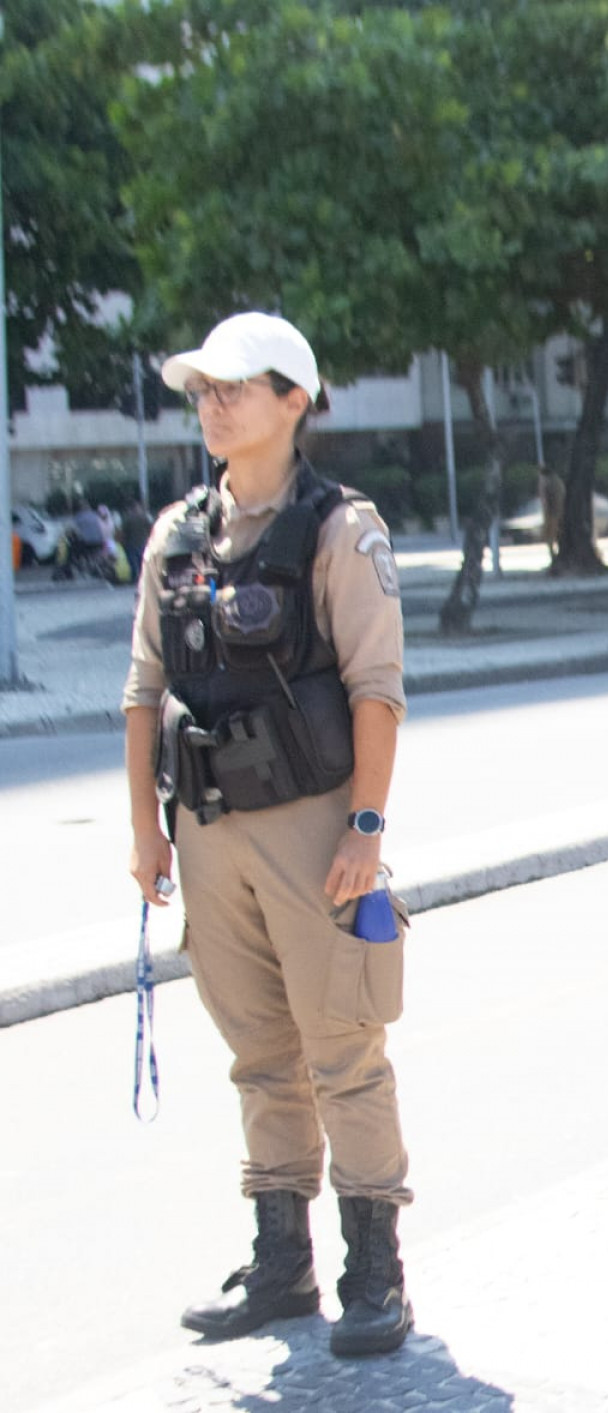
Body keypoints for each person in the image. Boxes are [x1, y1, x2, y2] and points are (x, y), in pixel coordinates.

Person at [123, 312, 413, 1355]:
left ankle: (375, 1270)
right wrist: (146, 838)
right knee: (259, 1054)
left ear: (296, 398)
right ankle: (281, 1262)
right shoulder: (175, 536)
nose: (213, 403)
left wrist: (366, 830)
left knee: (344, 1047)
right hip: (206, 830)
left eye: (235, 386)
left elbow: (378, 690)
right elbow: (143, 691)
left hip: (310, 826)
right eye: (202, 388)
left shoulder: (341, 528)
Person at [536, 462, 564, 561]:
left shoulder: (546, 482)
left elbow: (546, 500)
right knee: (557, 534)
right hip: (559, 512)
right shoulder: (558, 481)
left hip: (552, 513)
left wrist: (547, 512)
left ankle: (553, 555)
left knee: (551, 535)